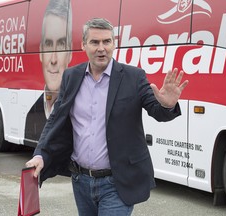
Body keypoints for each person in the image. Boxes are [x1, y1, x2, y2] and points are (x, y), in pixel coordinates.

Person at [26, 18, 189, 215]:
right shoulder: (71, 76)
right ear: (83, 45)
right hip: (80, 180)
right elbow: (55, 119)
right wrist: (40, 154)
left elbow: (157, 111)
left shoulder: (134, 77)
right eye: (95, 42)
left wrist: (167, 105)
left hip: (116, 183)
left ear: (114, 43)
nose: (101, 48)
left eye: (107, 42)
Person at [24, 0, 72, 145]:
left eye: (62, 44)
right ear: (40, 52)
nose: (53, 59)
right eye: (49, 44)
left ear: (70, 53)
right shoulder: (31, 116)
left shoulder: (78, 109)